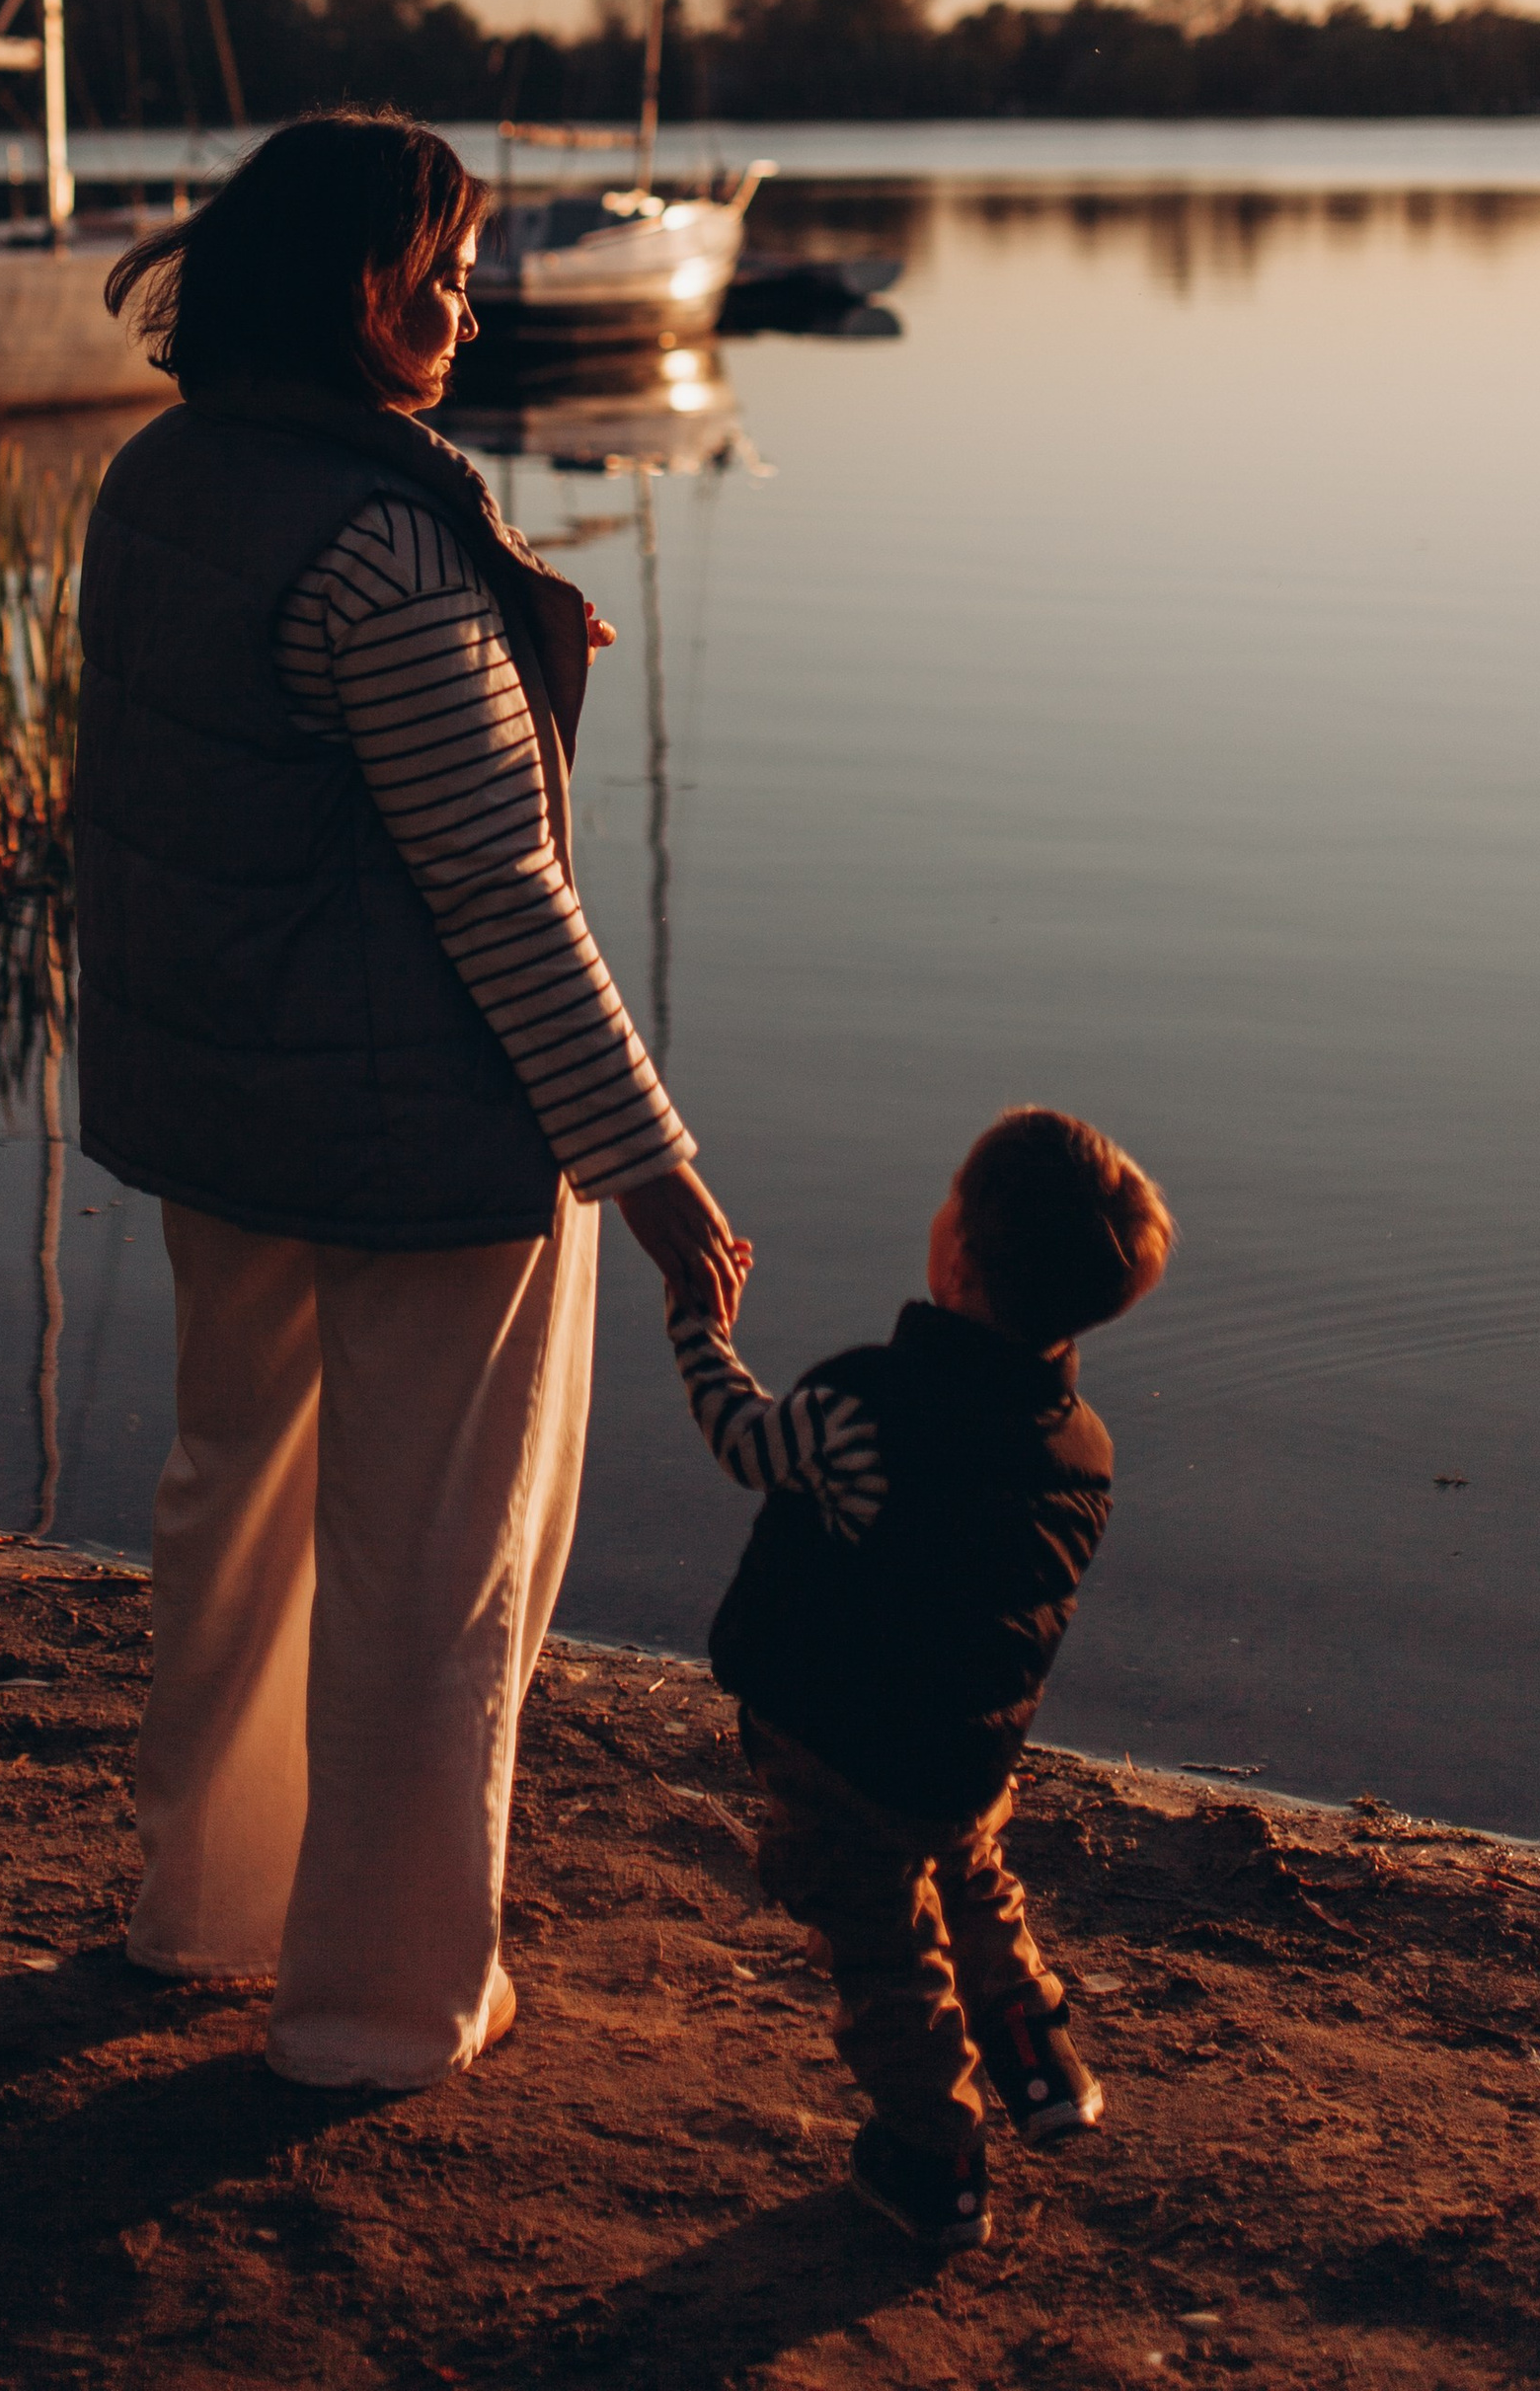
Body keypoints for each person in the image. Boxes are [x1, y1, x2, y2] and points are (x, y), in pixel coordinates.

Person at [74, 109, 745, 2092]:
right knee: (433, 1575)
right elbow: (501, 895)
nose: (466, 308)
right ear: (355, 292)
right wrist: (654, 1172)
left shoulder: (160, 480)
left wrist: (505, 644)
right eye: (442, 278)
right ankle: (374, 2007)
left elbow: (243, 770)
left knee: (238, 1509)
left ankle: (205, 1908)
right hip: (425, 1132)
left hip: (223, 1106)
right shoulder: (377, 542)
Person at [666, 1105, 1174, 2254]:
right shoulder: (1081, 1450)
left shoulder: (866, 1405)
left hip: (839, 1748)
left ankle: (934, 2159)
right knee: (970, 1877)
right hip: (962, 1751)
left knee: (884, 1950)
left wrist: (696, 1325)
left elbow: (741, 1438)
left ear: (955, 1264)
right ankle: (1036, 2060)